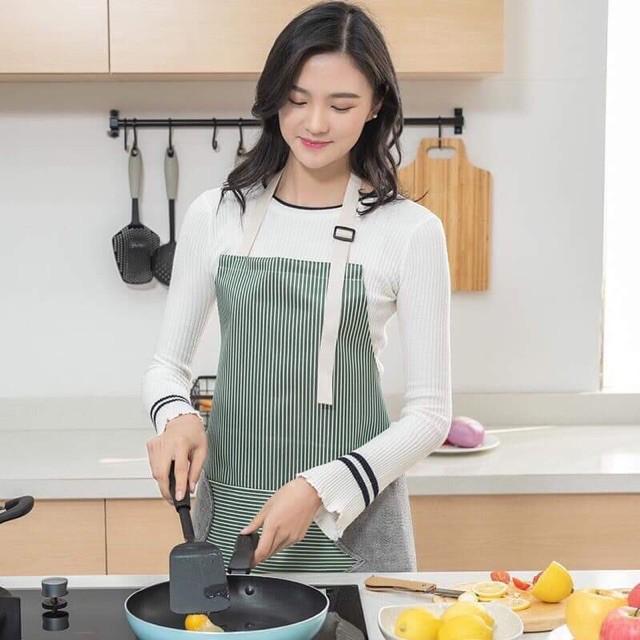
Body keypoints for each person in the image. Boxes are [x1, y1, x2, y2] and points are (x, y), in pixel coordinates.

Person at [143, 0, 451, 574]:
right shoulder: (217, 214)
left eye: (341, 105)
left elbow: (431, 415)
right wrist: (176, 416)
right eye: (297, 99)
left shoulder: (410, 231)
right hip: (232, 515)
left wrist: (321, 488)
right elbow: (166, 368)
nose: (315, 124)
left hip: (353, 525)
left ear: (376, 105)